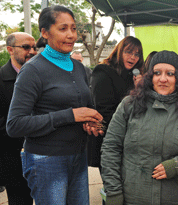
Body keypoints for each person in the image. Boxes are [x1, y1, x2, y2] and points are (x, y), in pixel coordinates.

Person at [6, 5, 104, 204]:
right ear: (44, 33)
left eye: (74, 28)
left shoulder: (79, 68)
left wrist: (92, 123)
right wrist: (71, 115)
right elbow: (14, 125)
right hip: (46, 160)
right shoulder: (32, 70)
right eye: (63, 28)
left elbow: (85, 109)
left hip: (78, 157)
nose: (71, 35)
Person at [100, 50, 178, 205]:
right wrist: (114, 192)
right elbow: (110, 148)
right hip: (135, 197)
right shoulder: (129, 105)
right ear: (150, 76)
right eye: (157, 73)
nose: (163, 79)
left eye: (170, 74)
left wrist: (177, 165)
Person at [89, 36, 144, 169]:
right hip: (109, 141)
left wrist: (140, 89)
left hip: (128, 142)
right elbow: (104, 110)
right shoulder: (103, 71)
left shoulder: (133, 76)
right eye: (128, 52)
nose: (132, 57)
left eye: (137, 54)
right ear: (119, 51)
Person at [0, 32, 36, 205]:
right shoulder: (1, 79)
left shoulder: (41, 76)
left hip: (44, 155)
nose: (32, 51)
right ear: (10, 50)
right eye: (26, 47)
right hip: (13, 159)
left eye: (34, 47)